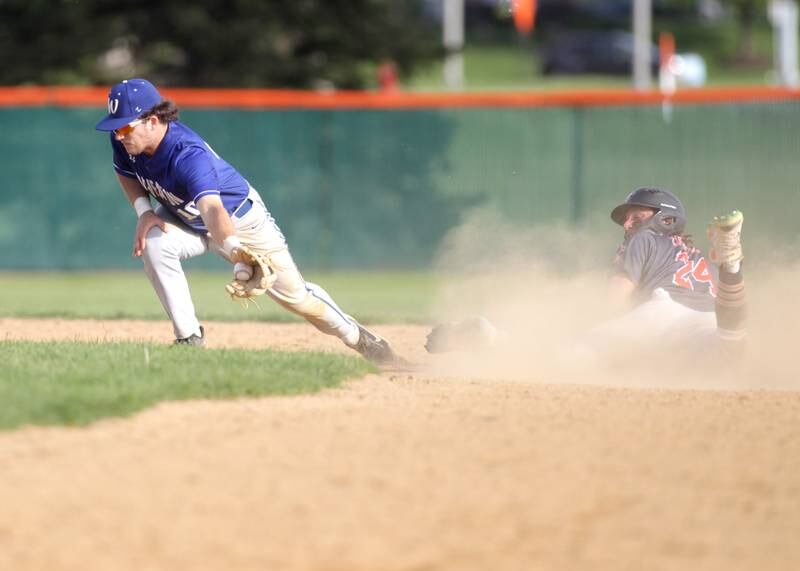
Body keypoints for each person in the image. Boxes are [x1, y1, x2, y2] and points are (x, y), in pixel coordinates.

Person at [95, 78, 398, 365]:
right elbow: (125, 172)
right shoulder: (125, 142)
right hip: (185, 218)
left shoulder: (187, 154)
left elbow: (213, 209)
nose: (118, 135)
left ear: (152, 121)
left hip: (240, 223)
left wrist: (233, 247)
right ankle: (188, 338)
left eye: (124, 128)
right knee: (155, 243)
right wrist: (144, 212)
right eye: (116, 129)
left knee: (298, 298)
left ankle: (360, 339)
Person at [425, 186, 746, 362]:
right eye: (627, 219)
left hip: (658, 313)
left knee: (573, 358)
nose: (628, 224)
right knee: (728, 352)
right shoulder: (693, 254)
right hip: (709, 320)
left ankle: (491, 337)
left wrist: (594, 329)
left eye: (637, 215)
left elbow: (615, 301)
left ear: (665, 219)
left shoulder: (642, 239)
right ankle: (732, 266)